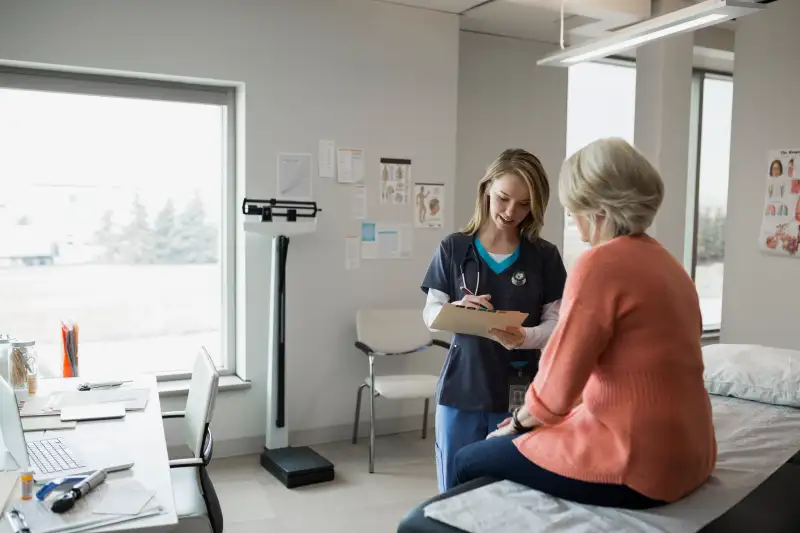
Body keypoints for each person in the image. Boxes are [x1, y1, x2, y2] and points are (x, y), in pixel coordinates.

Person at [452, 138, 717, 509]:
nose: (575, 222)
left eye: (574, 209)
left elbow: (555, 392)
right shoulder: (671, 267)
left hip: (640, 466)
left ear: (599, 211)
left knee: (468, 459)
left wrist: (515, 425)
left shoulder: (600, 265)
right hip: (694, 455)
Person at [420, 148, 567, 493]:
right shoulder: (454, 248)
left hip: (521, 394)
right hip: (462, 390)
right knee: (454, 491)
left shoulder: (544, 257)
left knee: (510, 493)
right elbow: (431, 315)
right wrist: (456, 309)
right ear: (486, 188)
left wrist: (524, 336)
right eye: (503, 198)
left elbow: (557, 326)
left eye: (524, 204)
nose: (510, 212)